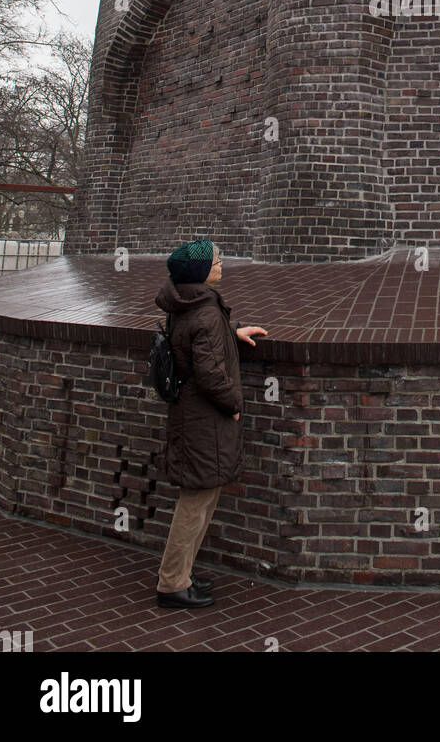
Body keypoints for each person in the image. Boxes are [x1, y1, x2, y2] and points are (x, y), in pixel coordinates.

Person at [154, 238, 267, 608]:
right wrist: (234, 404)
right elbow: (209, 373)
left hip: (196, 417)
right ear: (201, 270)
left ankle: (181, 576)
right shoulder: (204, 312)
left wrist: (232, 335)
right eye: (217, 260)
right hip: (204, 418)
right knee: (195, 503)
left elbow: (195, 346)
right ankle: (171, 584)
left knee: (203, 499)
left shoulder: (189, 304)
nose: (221, 264)